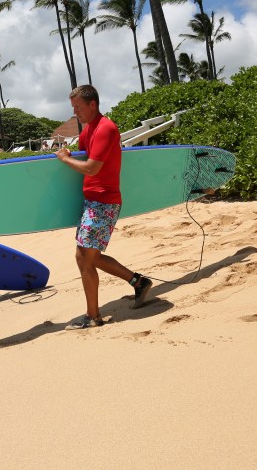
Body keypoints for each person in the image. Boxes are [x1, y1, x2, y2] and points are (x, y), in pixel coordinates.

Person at [55, 85, 152, 330]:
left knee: (84, 257)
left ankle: (93, 316)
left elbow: (91, 168)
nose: (75, 112)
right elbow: (87, 156)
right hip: (92, 202)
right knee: (90, 256)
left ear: (92, 104)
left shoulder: (106, 128)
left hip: (104, 202)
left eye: (78, 107)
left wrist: (65, 159)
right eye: (73, 108)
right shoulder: (89, 131)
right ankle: (138, 282)